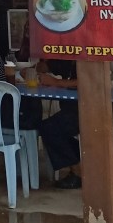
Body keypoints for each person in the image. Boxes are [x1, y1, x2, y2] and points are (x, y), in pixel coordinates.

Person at [37, 60, 82, 188]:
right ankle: (82, 164)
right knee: (49, 127)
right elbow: (43, 67)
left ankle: (77, 172)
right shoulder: (65, 59)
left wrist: (56, 82)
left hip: (89, 111)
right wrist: (40, 62)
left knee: (50, 128)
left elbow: (86, 81)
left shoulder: (88, 58)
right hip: (70, 111)